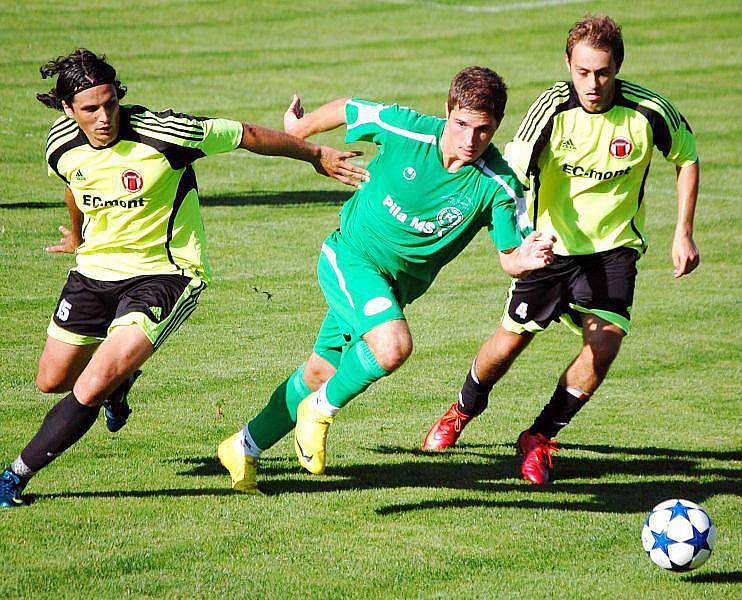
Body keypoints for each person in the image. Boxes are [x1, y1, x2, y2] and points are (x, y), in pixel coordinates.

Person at [0, 48, 367, 508]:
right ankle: (121, 379)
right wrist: (76, 236)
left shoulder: (165, 133)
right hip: (95, 272)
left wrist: (314, 152)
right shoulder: (60, 144)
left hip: (165, 274)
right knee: (52, 381)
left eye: (110, 103)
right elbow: (76, 185)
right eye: (90, 109)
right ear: (68, 110)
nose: (103, 117)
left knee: (91, 386)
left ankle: (14, 476)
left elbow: (245, 135)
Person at [217, 66, 556, 493]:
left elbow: (511, 257)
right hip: (349, 258)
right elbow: (348, 108)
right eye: (462, 125)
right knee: (392, 345)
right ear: (447, 111)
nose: (470, 140)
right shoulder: (408, 130)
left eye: (483, 130)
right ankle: (317, 412)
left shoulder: (498, 184)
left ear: (497, 127)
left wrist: (528, 257)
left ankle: (243, 446)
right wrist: (300, 129)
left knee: (321, 370)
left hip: (391, 289)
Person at [422, 15, 700, 484]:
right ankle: (464, 409)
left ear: (618, 67)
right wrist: (526, 237)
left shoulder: (650, 112)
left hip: (614, 250)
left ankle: (541, 436)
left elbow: (687, 157)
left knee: (605, 343)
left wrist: (683, 231)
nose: (593, 84)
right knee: (508, 345)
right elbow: (510, 175)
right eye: (583, 72)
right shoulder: (550, 109)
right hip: (552, 249)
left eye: (604, 72)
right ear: (568, 63)